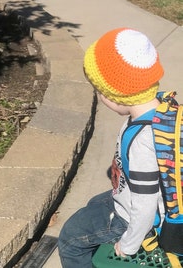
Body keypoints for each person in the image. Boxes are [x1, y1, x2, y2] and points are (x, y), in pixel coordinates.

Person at [58, 27, 166, 268]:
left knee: (70, 238)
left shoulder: (142, 143)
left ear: (114, 95)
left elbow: (145, 204)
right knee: (94, 204)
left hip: (133, 220)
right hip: (126, 199)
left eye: (99, 91)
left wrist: (129, 244)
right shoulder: (164, 110)